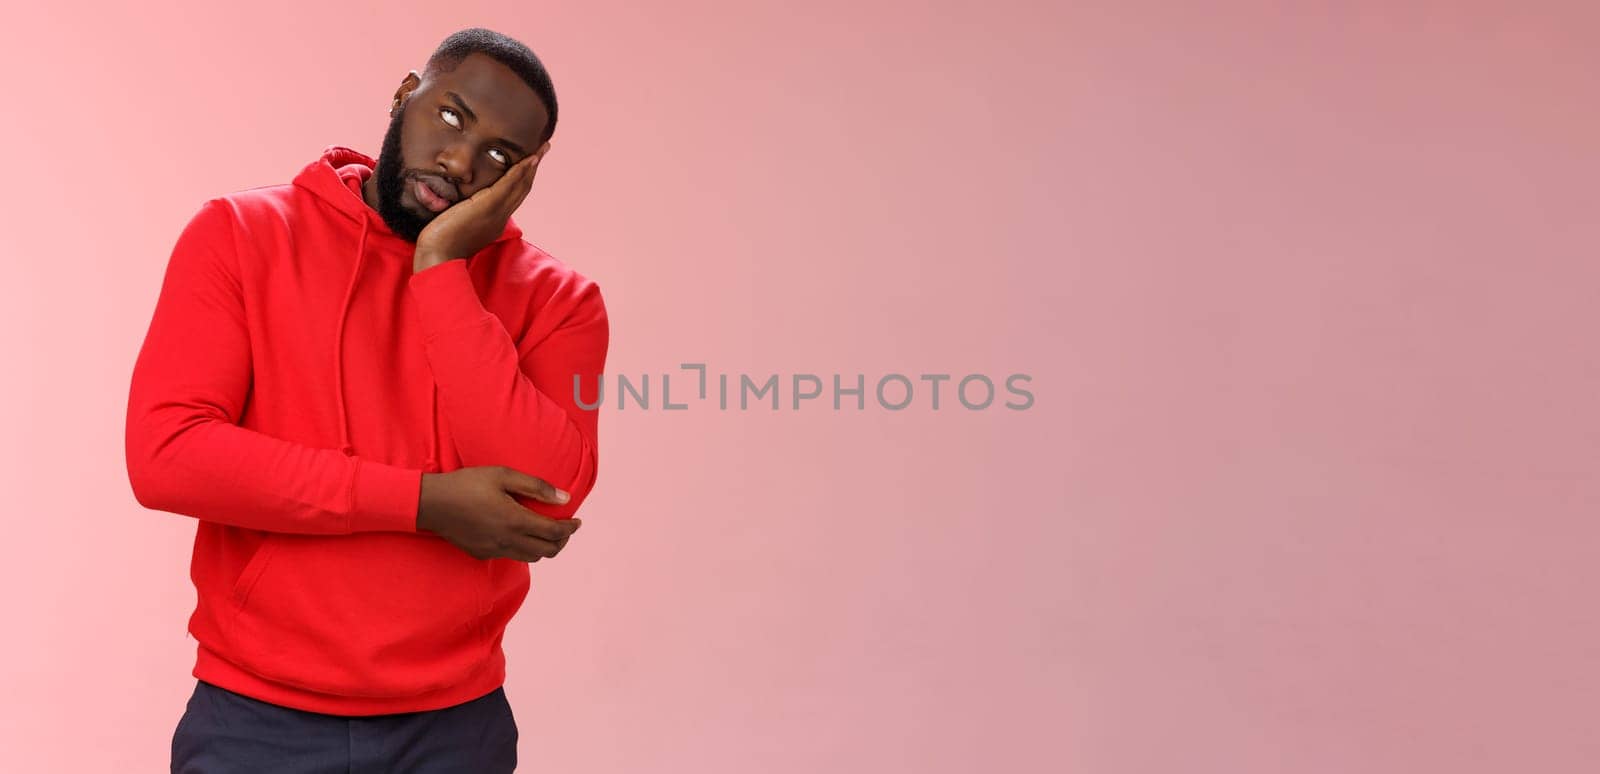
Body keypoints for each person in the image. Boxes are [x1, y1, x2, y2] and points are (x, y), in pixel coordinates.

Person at [124, 27, 609, 773]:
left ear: (525, 176)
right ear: (402, 94)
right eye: (451, 116)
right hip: (254, 721)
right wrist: (422, 502)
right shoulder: (241, 235)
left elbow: (545, 499)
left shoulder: (560, 301)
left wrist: (441, 270)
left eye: (501, 157)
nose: (460, 162)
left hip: (455, 730)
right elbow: (169, 458)